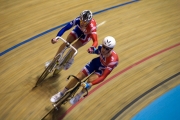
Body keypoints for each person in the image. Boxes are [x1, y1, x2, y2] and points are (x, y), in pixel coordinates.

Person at [50, 36, 119, 105]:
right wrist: (91, 51)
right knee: (78, 77)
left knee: (90, 80)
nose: (104, 50)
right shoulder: (101, 47)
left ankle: (79, 95)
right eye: (104, 47)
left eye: (107, 49)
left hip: (102, 70)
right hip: (96, 62)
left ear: (111, 49)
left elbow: (103, 77)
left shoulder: (113, 61)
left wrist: (90, 84)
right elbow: (97, 51)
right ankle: (61, 93)